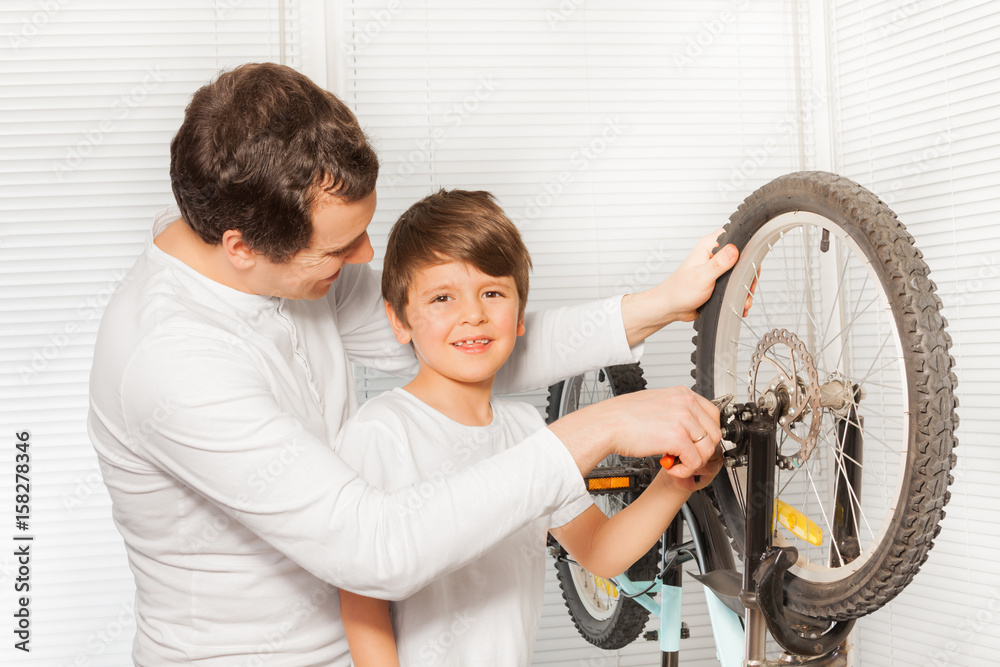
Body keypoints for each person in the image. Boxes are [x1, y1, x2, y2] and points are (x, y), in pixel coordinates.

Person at [87, 62, 736, 665]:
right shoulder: (170, 364)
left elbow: (461, 347)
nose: (368, 254)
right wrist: (599, 429)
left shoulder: (276, 258)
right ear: (243, 248)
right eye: (341, 246)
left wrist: (661, 304)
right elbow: (373, 549)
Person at [336, 190, 722, 667]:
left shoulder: (528, 432)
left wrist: (677, 482)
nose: (472, 314)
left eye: (492, 293)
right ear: (398, 320)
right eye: (442, 298)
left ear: (520, 316)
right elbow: (361, 598)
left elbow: (600, 553)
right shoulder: (381, 431)